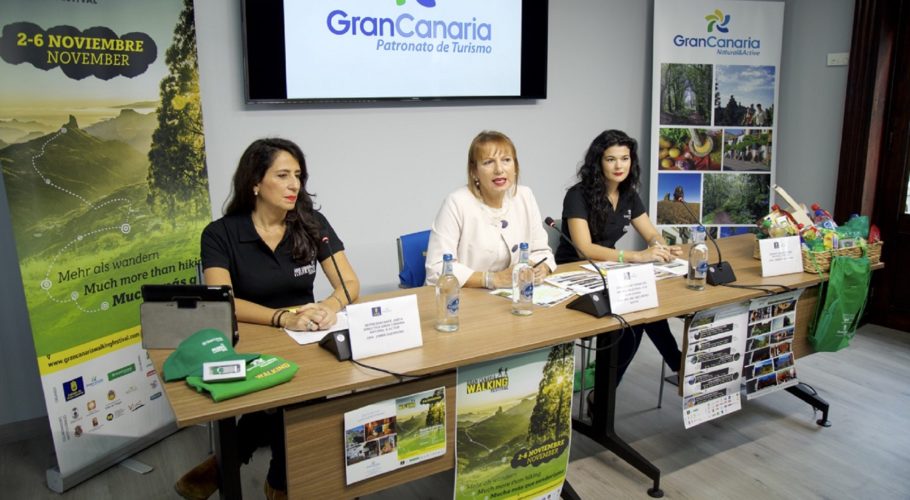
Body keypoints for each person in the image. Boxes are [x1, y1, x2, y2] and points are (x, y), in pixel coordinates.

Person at [175, 138, 360, 500]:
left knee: (299, 390)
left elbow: (350, 283)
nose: (295, 185)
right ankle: (279, 482)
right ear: (256, 182)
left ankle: (231, 463)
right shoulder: (221, 234)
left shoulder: (311, 224)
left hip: (305, 338)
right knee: (289, 400)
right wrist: (281, 318)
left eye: (298, 176)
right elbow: (223, 301)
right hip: (250, 338)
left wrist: (330, 305)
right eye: (283, 175)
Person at [555, 129, 683, 388]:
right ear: (598, 162)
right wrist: (636, 256)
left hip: (609, 270)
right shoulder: (577, 195)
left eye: (625, 158)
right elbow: (584, 248)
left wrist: (661, 247)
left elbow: (651, 234)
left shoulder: (628, 195)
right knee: (637, 315)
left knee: (646, 310)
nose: (619, 166)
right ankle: (677, 368)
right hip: (573, 273)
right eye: (611, 159)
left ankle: (607, 392)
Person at [425, 130, 555, 289]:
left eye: (506, 160)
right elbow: (437, 268)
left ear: (515, 166)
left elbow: (541, 251)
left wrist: (541, 268)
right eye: (488, 162)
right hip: (467, 296)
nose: (499, 169)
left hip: (514, 294)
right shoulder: (457, 203)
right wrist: (491, 279)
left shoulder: (525, 196)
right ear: (474, 171)